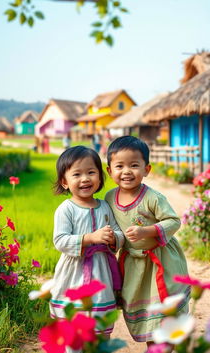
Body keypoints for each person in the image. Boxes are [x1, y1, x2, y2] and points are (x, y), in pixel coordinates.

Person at [105, 136, 190, 346]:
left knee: (163, 313)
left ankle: (162, 345)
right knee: (142, 311)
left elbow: (173, 221)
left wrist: (148, 231)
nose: (126, 171)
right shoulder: (108, 198)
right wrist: (113, 241)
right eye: (119, 166)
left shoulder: (153, 198)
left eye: (134, 165)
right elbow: (114, 229)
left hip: (160, 261)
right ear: (109, 171)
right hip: (133, 265)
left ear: (147, 169)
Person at [50, 146, 124, 350]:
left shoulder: (104, 207)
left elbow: (119, 233)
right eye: (77, 174)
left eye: (91, 172)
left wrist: (113, 238)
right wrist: (90, 238)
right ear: (64, 182)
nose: (85, 179)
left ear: (100, 177)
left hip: (101, 273)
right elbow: (60, 240)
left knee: (100, 326)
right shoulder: (66, 209)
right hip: (73, 273)